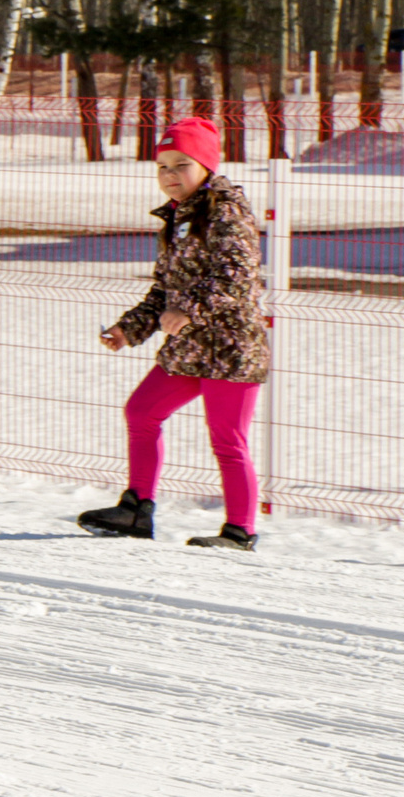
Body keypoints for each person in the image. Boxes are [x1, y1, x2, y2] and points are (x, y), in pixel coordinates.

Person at [79, 115, 269, 551]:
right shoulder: (178, 217)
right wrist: (130, 329)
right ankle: (136, 508)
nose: (169, 176)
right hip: (189, 349)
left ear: (205, 166)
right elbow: (165, 288)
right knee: (141, 412)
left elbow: (237, 276)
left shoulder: (226, 211)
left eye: (181, 164)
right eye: (162, 167)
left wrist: (190, 309)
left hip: (231, 349)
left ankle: (240, 532)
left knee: (227, 440)